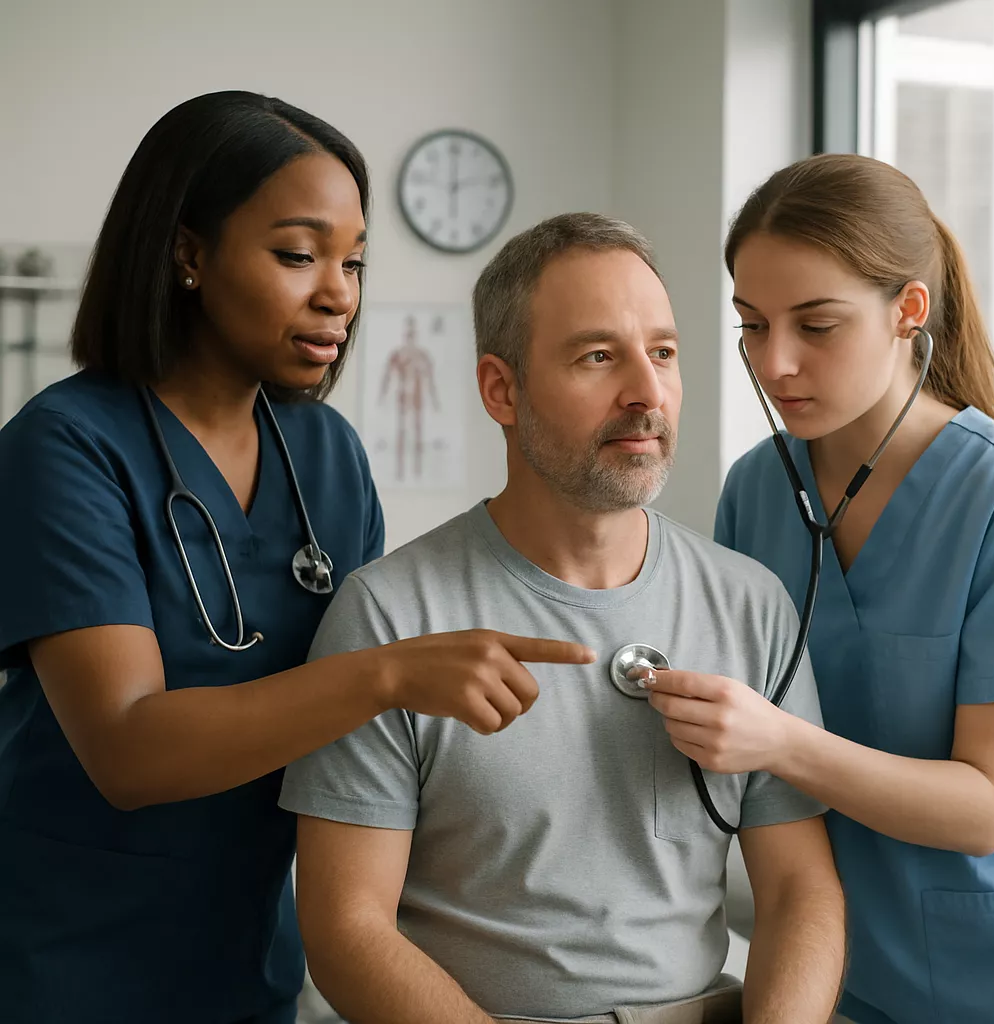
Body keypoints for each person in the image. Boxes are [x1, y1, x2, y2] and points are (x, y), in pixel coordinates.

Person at [0, 92, 594, 1024]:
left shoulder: (325, 453)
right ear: (189, 254)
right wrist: (393, 673)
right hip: (64, 964)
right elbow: (128, 750)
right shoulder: (66, 446)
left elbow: (357, 744)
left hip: (253, 960)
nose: (340, 293)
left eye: (354, 262)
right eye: (297, 254)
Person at [279, 213, 847, 1024]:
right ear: (500, 389)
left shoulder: (748, 602)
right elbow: (345, 928)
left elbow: (800, 889)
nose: (646, 394)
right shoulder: (389, 619)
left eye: (663, 353)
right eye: (597, 356)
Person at [650, 153, 994, 1024]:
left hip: (992, 979)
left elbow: (987, 811)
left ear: (908, 312)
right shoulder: (757, 488)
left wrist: (776, 741)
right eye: (752, 324)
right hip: (822, 975)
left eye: (816, 326)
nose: (776, 363)